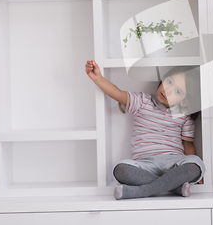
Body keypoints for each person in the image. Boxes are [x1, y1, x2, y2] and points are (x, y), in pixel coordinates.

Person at [85, 60, 205, 200]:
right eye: (169, 82)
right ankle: (174, 187)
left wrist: (198, 174)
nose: (168, 90)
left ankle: (141, 191)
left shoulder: (184, 116)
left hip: (172, 163)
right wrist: (98, 79)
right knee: (120, 170)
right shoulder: (143, 102)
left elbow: (188, 145)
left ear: (185, 101)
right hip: (144, 164)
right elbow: (118, 94)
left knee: (196, 165)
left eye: (177, 91)